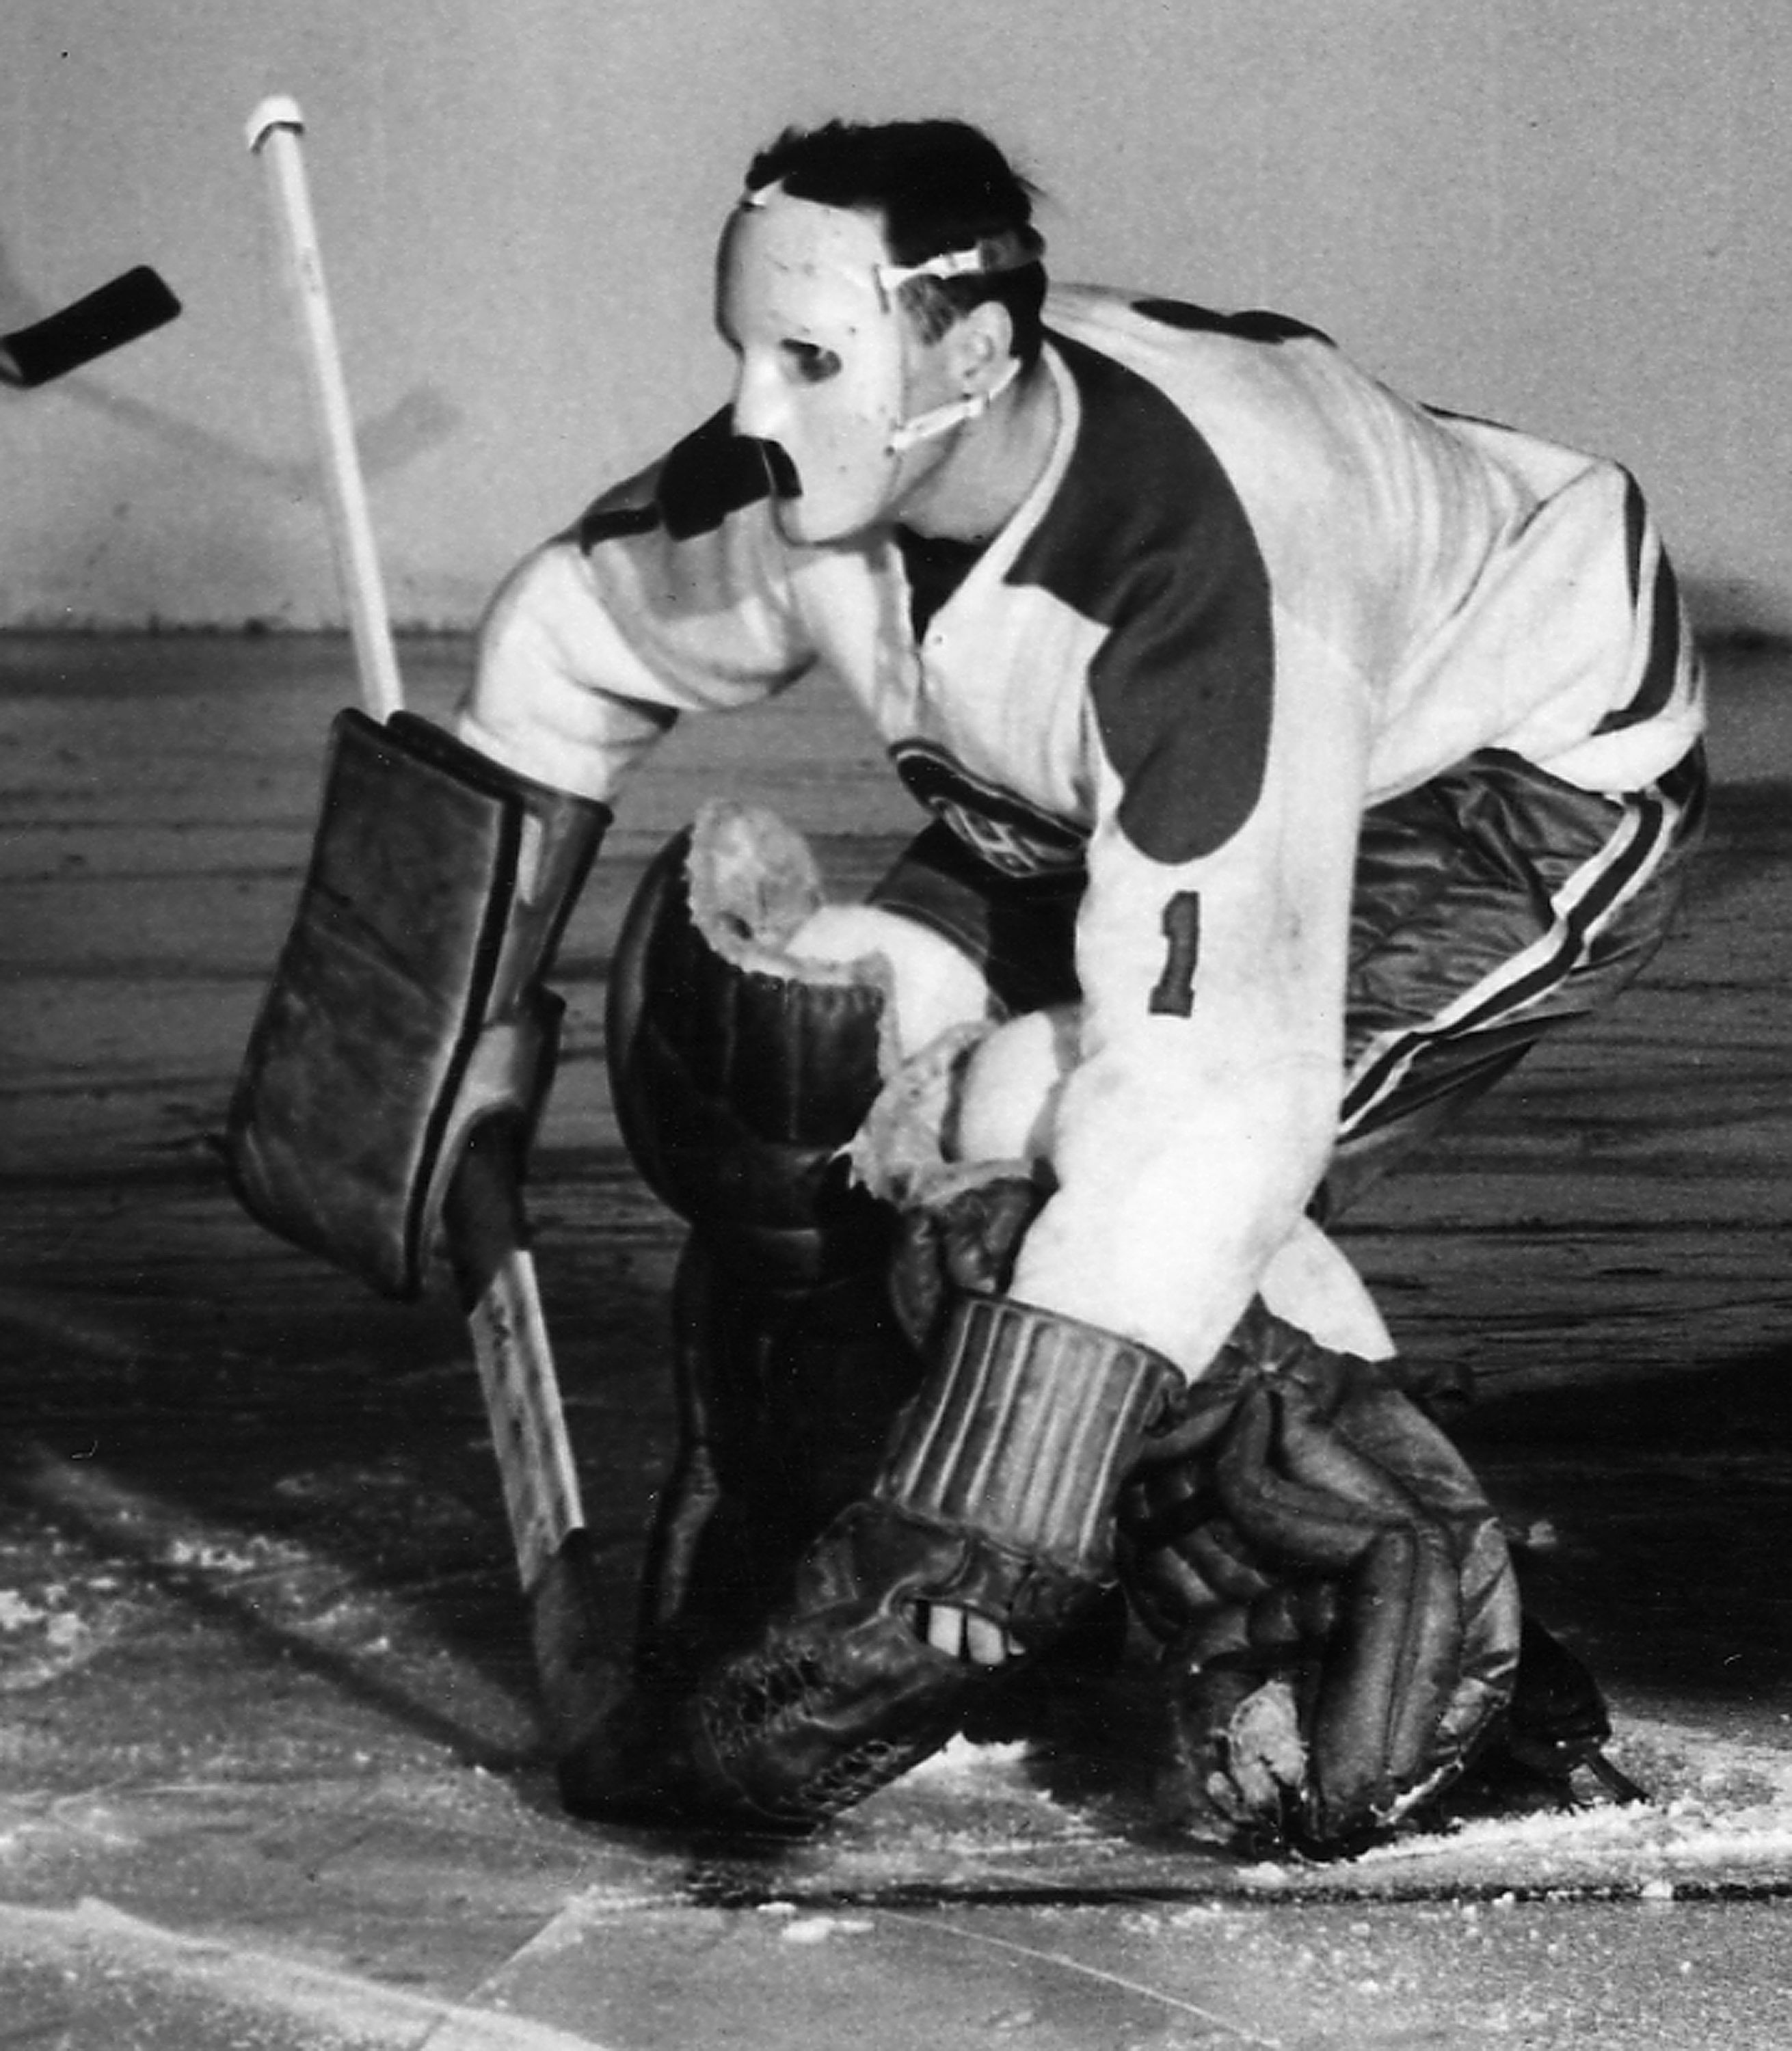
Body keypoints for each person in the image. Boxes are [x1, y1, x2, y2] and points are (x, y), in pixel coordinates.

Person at [230, 118, 1704, 1853]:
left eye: (809, 360)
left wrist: (982, 1540)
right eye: (744, 353)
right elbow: (579, 629)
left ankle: (1438, 1653)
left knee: (1044, 1148)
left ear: (975, 355)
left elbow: (1213, 1111)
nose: (757, 413)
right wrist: (433, 990)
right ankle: (787, 1581)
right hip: (1090, 800)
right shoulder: (826, 479)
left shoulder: (1207, 595)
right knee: (805, 1078)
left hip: (1496, 785)